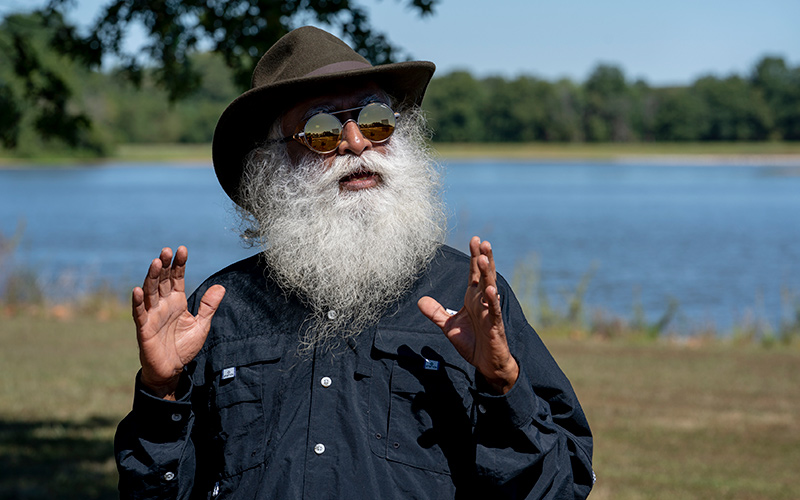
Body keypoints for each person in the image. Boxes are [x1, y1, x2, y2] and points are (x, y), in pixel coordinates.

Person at [114, 26, 594, 500]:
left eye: (376, 119)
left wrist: (503, 386)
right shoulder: (222, 309)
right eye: (322, 130)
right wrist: (162, 391)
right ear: (270, 163)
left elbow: (562, 486)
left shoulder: (465, 296)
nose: (356, 142)